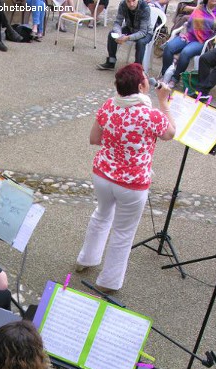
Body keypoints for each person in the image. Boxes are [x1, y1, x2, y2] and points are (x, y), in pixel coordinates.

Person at [75, 64, 175, 292]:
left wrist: (116, 143)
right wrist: (164, 103)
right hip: (132, 184)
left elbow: (94, 138)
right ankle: (108, 283)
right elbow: (170, 133)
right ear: (141, 86)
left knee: (101, 215)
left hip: (102, 174)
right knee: (123, 232)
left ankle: (86, 259)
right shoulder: (151, 115)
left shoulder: (109, 105)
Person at [161, 0, 216, 88]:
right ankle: (165, 75)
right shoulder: (200, 7)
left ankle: (175, 78)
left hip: (203, 41)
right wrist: (189, 33)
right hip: (189, 36)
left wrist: (213, 42)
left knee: (185, 53)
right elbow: (190, 22)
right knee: (169, 47)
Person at [97, 0, 152, 70]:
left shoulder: (144, 8)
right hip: (130, 28)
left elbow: (143, 32)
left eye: (133, 1)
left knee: (140, 43)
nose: (131, 4)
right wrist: (119, 34)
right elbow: (117, 23)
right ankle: (111, 62)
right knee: (112, 34)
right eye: (128, 1)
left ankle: (137, 68)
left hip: (146, 32)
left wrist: (127, 37)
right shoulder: (123, 4)